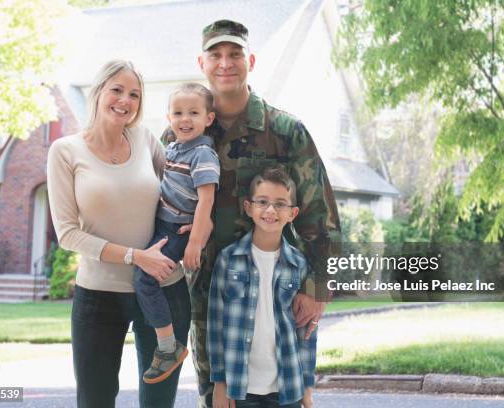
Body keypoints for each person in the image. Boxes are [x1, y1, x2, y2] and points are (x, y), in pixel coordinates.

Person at [162, 20, 341, 407]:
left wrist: (316, 287)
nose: (225, 63)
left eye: (235, 54)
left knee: (282, 393)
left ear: (251, 61)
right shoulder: (179, 135)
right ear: (202, 63)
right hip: (206, 295)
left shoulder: (285, 131)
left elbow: (320, 216)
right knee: (218, 398)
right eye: (216, 55)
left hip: (275, 291)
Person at [47, 60, 191, 408]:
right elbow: (67, 234)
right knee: (94, 399)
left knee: (159, 401)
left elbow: (178, 188)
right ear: (98, 92)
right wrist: (134, 256)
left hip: (164, 286)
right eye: (117, 89)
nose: (125, 100)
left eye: (134, 95)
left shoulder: (145, 139)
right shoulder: (65, 151)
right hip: (99, 295)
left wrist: (196, 220)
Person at [208, 166, 316, 408]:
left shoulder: (299, 264)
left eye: (280, 204)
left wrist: (307, 389)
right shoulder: (228, 259)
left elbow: (307, 332)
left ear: (293, 213)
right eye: (263, 202)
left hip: (287, 386)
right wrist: (220, 384)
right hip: (241, 386)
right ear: (248, 207)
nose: (270, 210)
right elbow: (215, 326)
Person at [135, 83, 219, 384]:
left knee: (145, 279)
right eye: (178, 112)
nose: (185, 119)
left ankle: (169, 346)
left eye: (193, 113)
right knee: (142, 274)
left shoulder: (203, 154)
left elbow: (207, 198)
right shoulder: (172, 147)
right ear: (168, 117)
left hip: (178, 229)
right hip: (164, 224)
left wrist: (195, 240)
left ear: (208, 118)